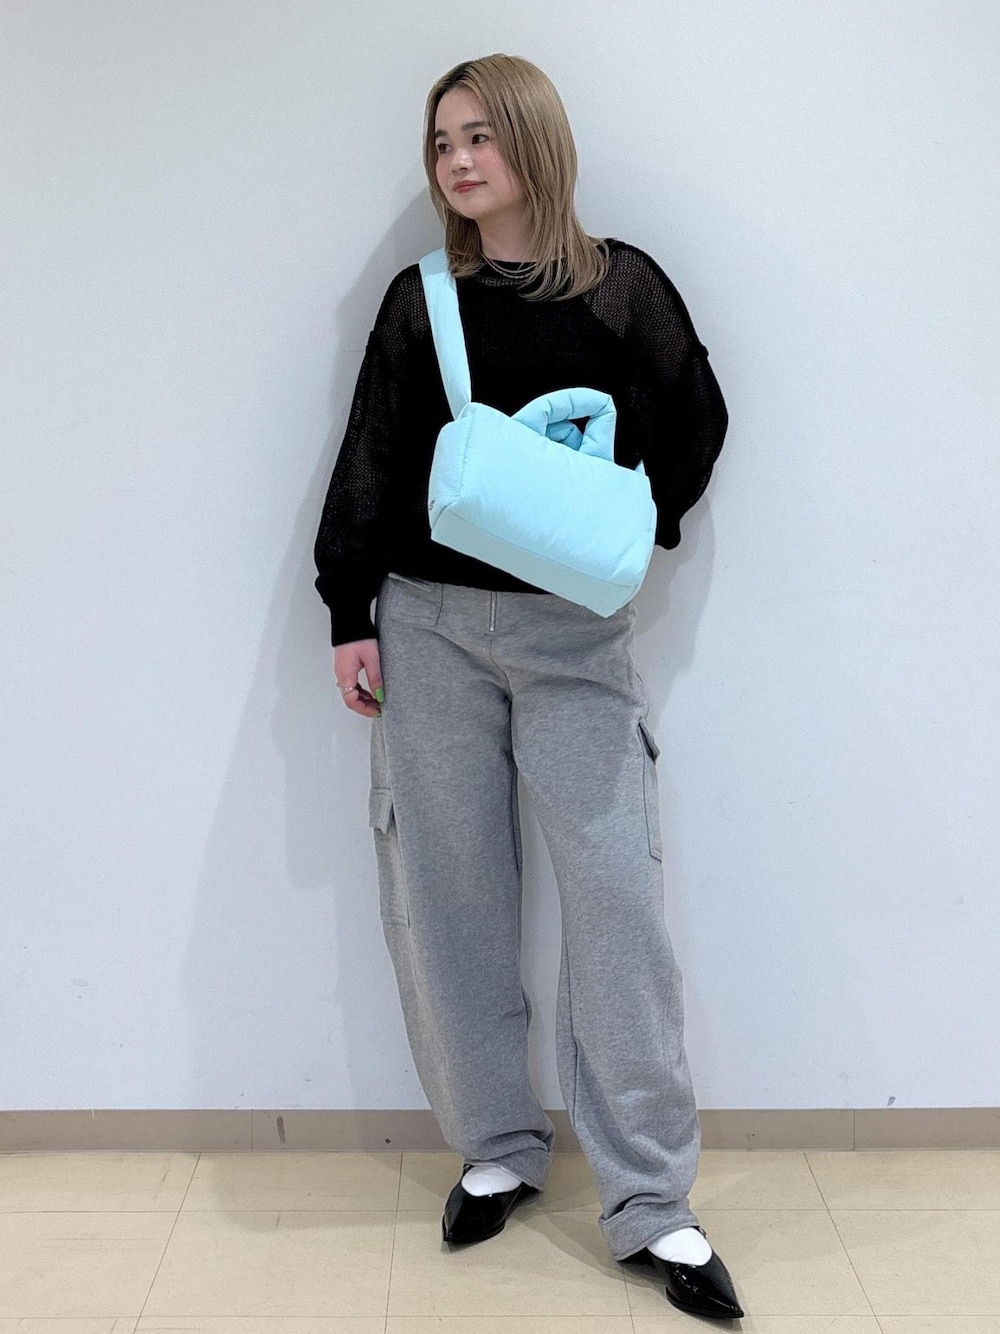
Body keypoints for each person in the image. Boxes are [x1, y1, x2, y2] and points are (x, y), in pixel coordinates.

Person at [313, 53, 743, 1322]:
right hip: (428, 627)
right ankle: (496, 1144)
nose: (457, 160)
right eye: (442, 141)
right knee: (447, 896)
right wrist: (349, 611)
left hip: (574, 638)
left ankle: (651, 1199)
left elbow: (698, 419)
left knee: (616, 906)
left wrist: (629, 524)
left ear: (534, 143)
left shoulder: (621, 288)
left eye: (480, 136)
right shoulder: (420, 300)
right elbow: (373, 451)